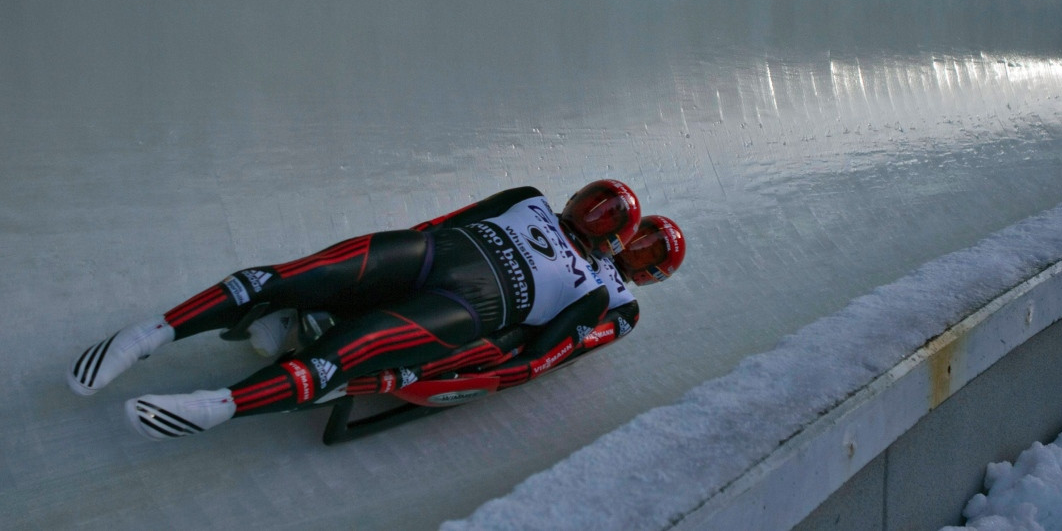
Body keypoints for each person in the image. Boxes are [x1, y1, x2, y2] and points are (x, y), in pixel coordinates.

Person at [66, 180, 676, 440]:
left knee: (337, 359)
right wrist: (367, 274)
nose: (589, 219)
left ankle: (218, 407)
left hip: (462, 309)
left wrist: (443, 376)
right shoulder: (529, 197)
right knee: (280, 275)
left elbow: (538, 357)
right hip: (426, 255)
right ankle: (144, 336)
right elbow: (443, 224)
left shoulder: (603, 298)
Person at [346, 214, 685, 398]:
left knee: (518, 333)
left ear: (653, 272)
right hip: (497, 280)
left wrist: (545, 344)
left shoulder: (626, 307)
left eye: (647, 252)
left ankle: (419, 367)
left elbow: (583, 337)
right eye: (639, 239)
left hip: (532, 320)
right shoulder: (571, 232)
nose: (635, 250)